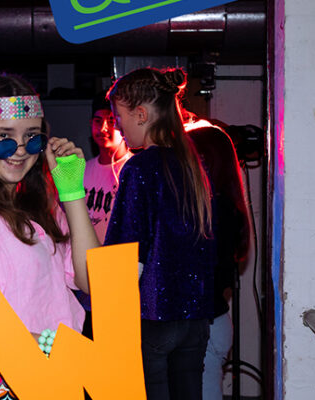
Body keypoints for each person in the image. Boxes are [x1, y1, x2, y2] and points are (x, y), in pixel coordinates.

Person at [0, 73, 99, 399]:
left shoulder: (39, 206)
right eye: (4, 137)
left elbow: (93, 281)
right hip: (0, 378)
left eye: (32, 138)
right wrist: (46, 343)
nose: (20, 151)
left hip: (54, 374)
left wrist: (72, 193)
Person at [105, 67, 217, 400]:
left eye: (118, 117)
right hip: (195, 316)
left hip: (153, 315)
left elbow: (126, 252)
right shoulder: (193, 164)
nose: (117, 127)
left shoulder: (140, 168)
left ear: (141, 115)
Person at [183, 116, 251, 400]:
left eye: (187, 156)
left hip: (206, 325)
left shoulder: (217, 210)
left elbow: (203, 275)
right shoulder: (221, 206)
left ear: (205, 160)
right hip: (210, 323)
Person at [74, 96, 133, 340]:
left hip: (120, 281)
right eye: (98, 121)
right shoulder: (82, 170)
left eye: (111, 121)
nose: (104, 128)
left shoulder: (133, 169)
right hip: (85, 279)